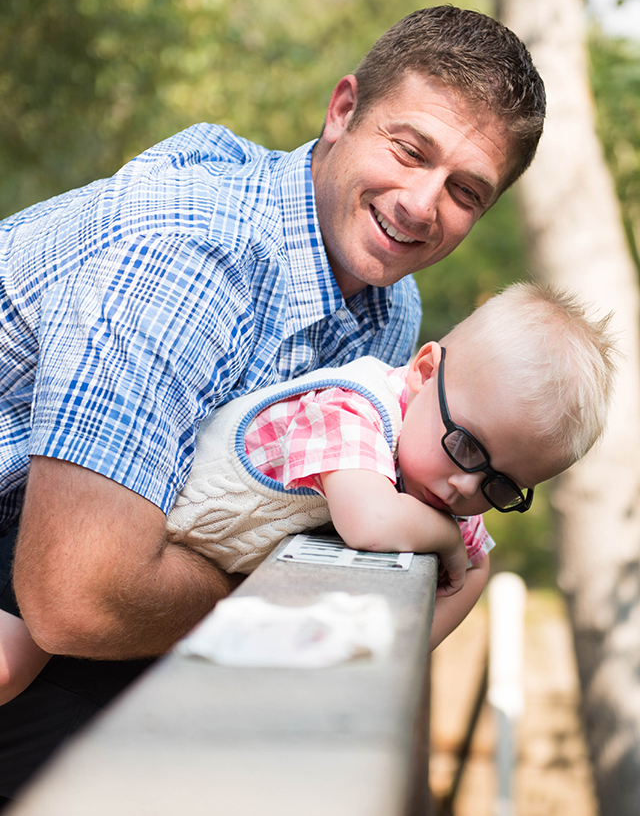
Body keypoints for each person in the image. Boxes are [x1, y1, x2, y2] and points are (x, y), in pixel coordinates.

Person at [0, 4, 546, 798]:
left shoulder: (389, 309)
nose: (422, 205)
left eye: (465, 190)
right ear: (343, 110)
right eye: (409, 149)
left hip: (77, 555)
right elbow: (78, 598)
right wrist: (264, 600)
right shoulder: (193, 260)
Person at [0, 282, 617, 708]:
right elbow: (370, 522)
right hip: (101, 531)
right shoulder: (354, 406)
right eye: (467, 448)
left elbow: (478, 567)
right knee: (11, 666)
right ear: (425, 372)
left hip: (169, 579)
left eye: (503, 486)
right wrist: (443, 538)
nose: (466, 487)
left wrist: (395, 658)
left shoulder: (438, 480)